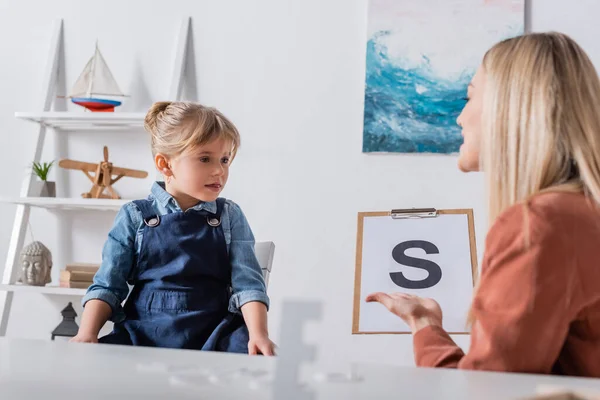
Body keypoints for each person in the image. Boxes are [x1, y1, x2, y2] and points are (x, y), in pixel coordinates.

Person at [366, 32, 600, 377]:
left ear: (510, 108)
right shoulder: (583, 214)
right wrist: (425, 323)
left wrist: (425, 329)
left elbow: (487, 389)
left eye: (469, 96)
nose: (460, 118)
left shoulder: (541, 223)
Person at [70, 101, 275, 356]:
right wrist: (86, 333)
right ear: (165, 165)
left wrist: (259, 335)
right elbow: (108, 286)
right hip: (143, 335)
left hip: (215, 333)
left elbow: (249, 285)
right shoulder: (135, 216)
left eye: (224, 159)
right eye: (204, 158)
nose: (219, 170)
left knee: (248, 362)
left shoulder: (229, 216)